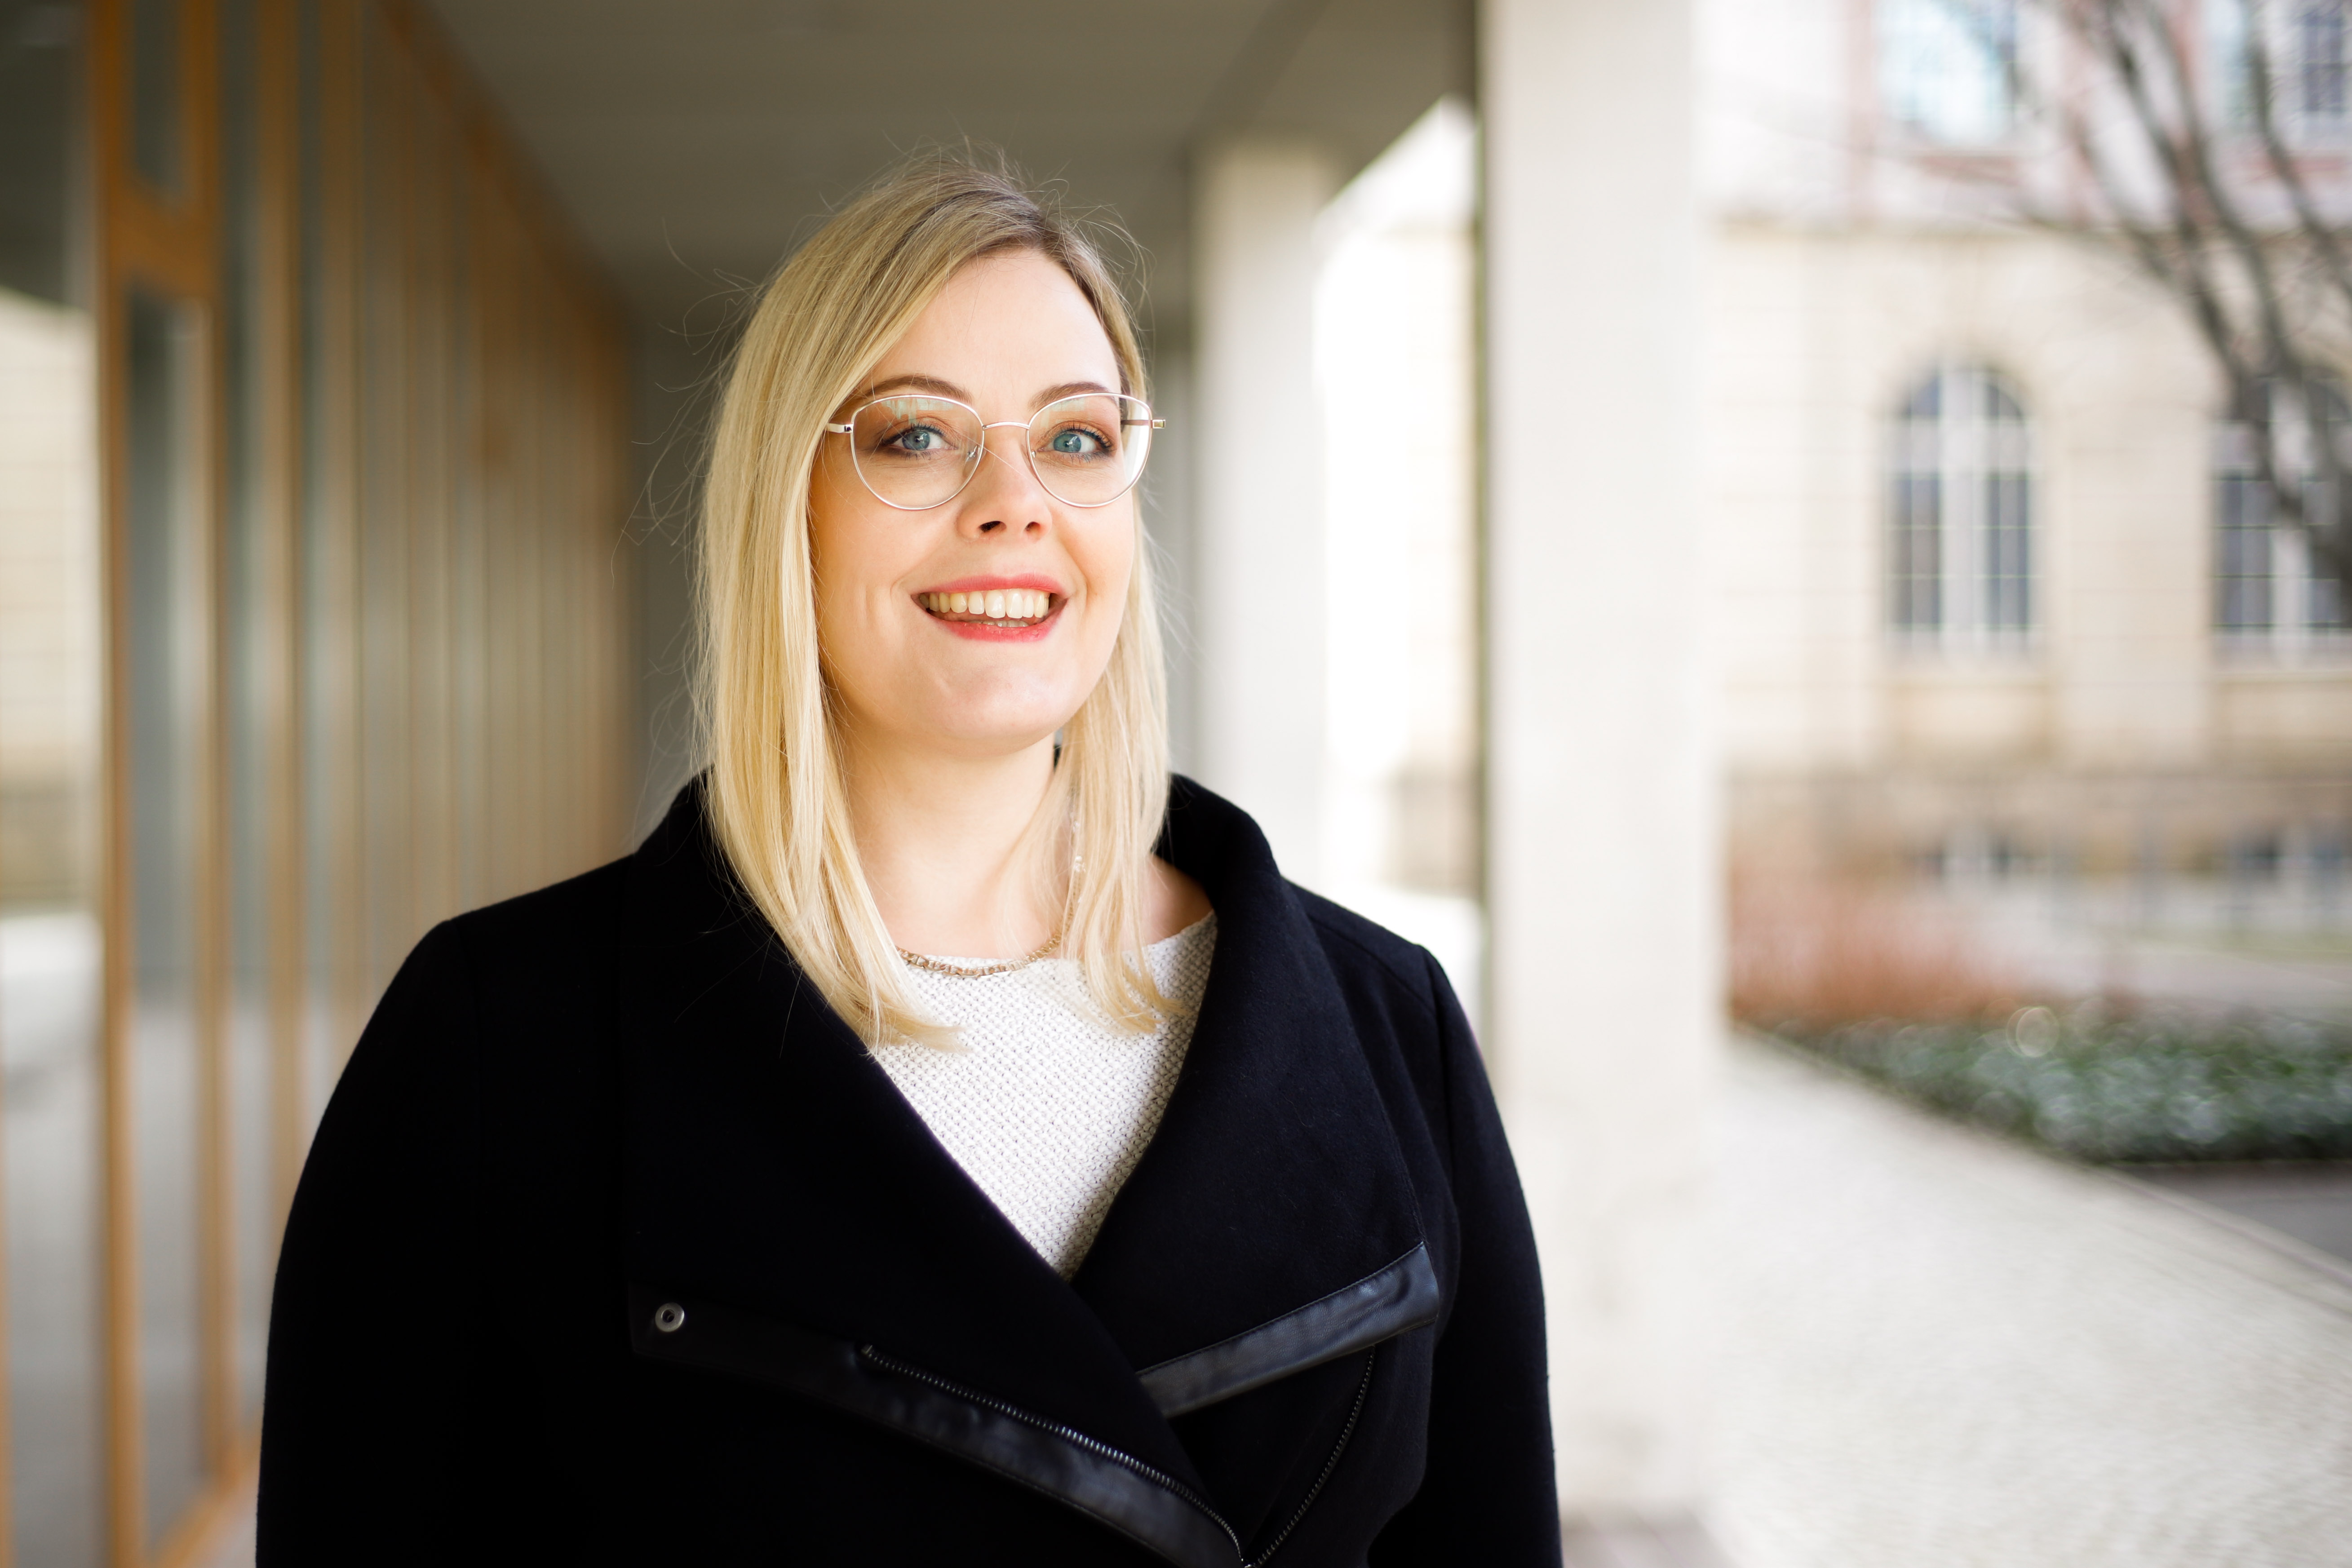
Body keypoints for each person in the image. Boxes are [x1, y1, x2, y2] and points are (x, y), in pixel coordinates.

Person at [258, 155, 1558, 1567]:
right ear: (786, 502)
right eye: (916, 437)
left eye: (1073, 438)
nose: (1014, 502)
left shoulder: (1383, 1028)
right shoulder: (501, 1041)